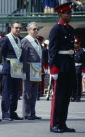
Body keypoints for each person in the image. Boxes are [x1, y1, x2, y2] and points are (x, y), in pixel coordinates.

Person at [49, 2, 76, 133]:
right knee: (58, 97)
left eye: (70, 13)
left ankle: (62, 123)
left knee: (66, 96)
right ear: (60, 14)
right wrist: (53, 69)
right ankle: (54, 124)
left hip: (69, 65)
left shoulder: (70, 29)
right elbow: (52, 50)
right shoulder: (56, 29)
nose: (69, 15)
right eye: (67, 13)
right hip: (60, 65)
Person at [0, 21, 23, 121]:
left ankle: (12, 112)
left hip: (16, 68)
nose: (18, 30)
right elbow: (1, 53)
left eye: (19, 28)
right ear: (11, 28)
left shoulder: (19, 40)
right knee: (6, 91)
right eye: (16, 28)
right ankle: (6, 113)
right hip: (8, 67)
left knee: (15, 91)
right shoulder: (6, 39)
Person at [21, 22, 42, 120]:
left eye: (37, 29)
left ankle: (32, 112)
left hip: (36, 68)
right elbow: (24, 57)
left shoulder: (36, 40)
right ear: (29, 30)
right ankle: (27, 113)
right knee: (27, 92)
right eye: (34, 29)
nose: (36, 31)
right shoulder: (26, 40)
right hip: (29, 68)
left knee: (34, 92)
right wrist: (24, 71)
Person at [71, 38, 84, 102]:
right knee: (72, 83)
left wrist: (83, 70)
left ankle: (78, 96)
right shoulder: (72, 51)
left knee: (78, 83)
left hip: (79, 68)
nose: (75, 44)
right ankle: (73, 96)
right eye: (74, 43)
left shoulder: (82, 51)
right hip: (73, 68)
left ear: (79, 44)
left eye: (76, 43)